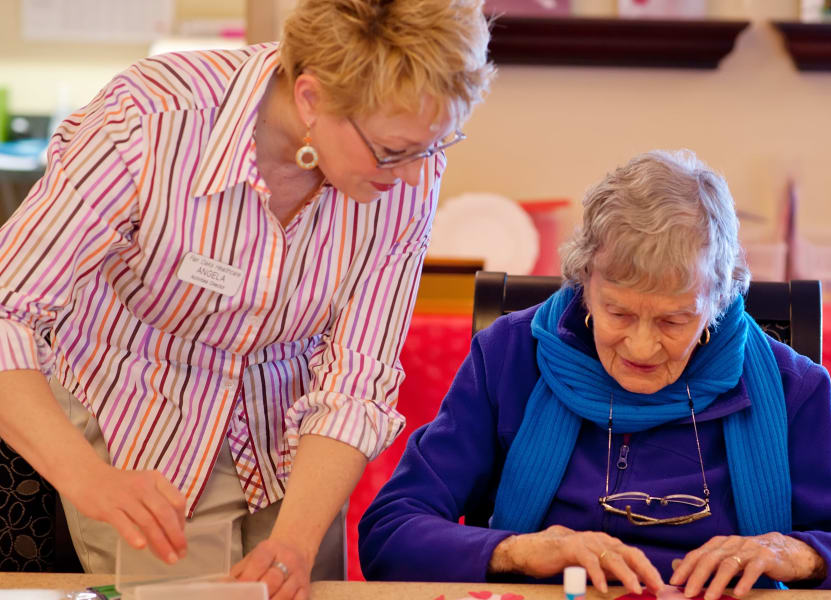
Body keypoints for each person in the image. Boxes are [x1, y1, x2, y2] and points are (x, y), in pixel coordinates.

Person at [0, 0, 493, 597]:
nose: (417, 176)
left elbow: (356, 374)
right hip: (137, 420)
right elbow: (8, 312)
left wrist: (297, 541)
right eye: (393, 151)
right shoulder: (148, 121)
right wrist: (90, 480)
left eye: (435, 146)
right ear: (310, 98)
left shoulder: (408, 157)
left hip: (292, 444)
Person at [358, 150, 831, 598]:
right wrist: (523, 550)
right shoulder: (511, 359)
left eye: (676, 320)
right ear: (583, 281)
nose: (642, 346)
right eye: (618, 312)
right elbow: (389, 534)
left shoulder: (786, 387)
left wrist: (797, 553)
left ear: (718, 299)